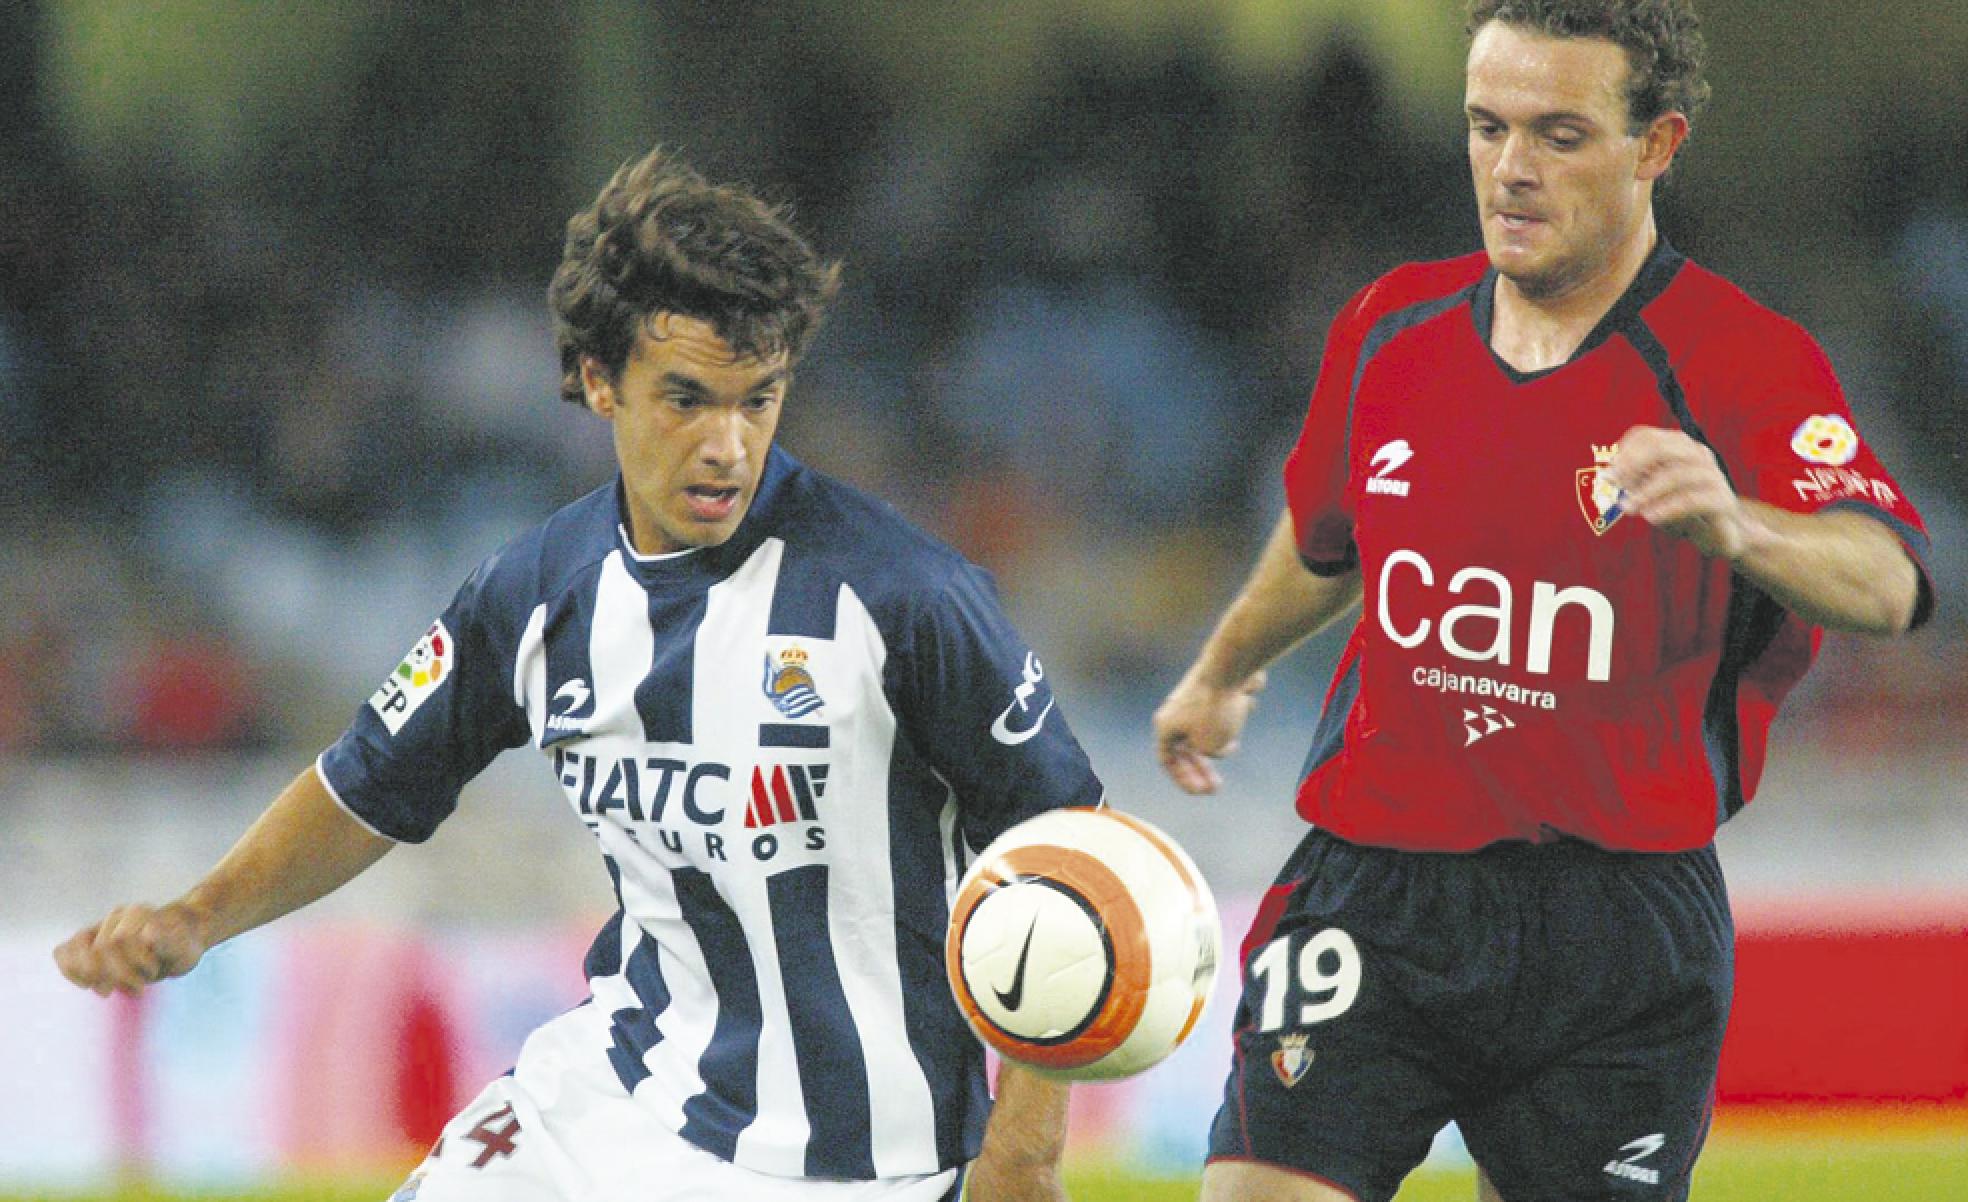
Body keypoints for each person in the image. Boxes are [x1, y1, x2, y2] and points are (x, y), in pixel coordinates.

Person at [54, 147, 1101, 1202]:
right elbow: (367, 782)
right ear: (600, 380)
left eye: (758, 400)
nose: (728, 446)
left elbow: (1076, 848)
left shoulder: (904, 596)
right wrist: (198, 916)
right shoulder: (537, 591)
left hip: (859, 1163)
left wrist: (1023, 1150)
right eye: (687, 399)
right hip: (616, 1100)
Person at [1152, 3, 1934, 1200]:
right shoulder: (1390, 325)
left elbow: (1889, 580)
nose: (1511, 169)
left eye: (1559, 135)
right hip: (1372, 892)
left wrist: (1738, 522)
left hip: (1617, 922)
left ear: (1657, 144)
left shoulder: (1745, 360)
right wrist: (1221, 670)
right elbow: (1325, 540)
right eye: (1488, 127)